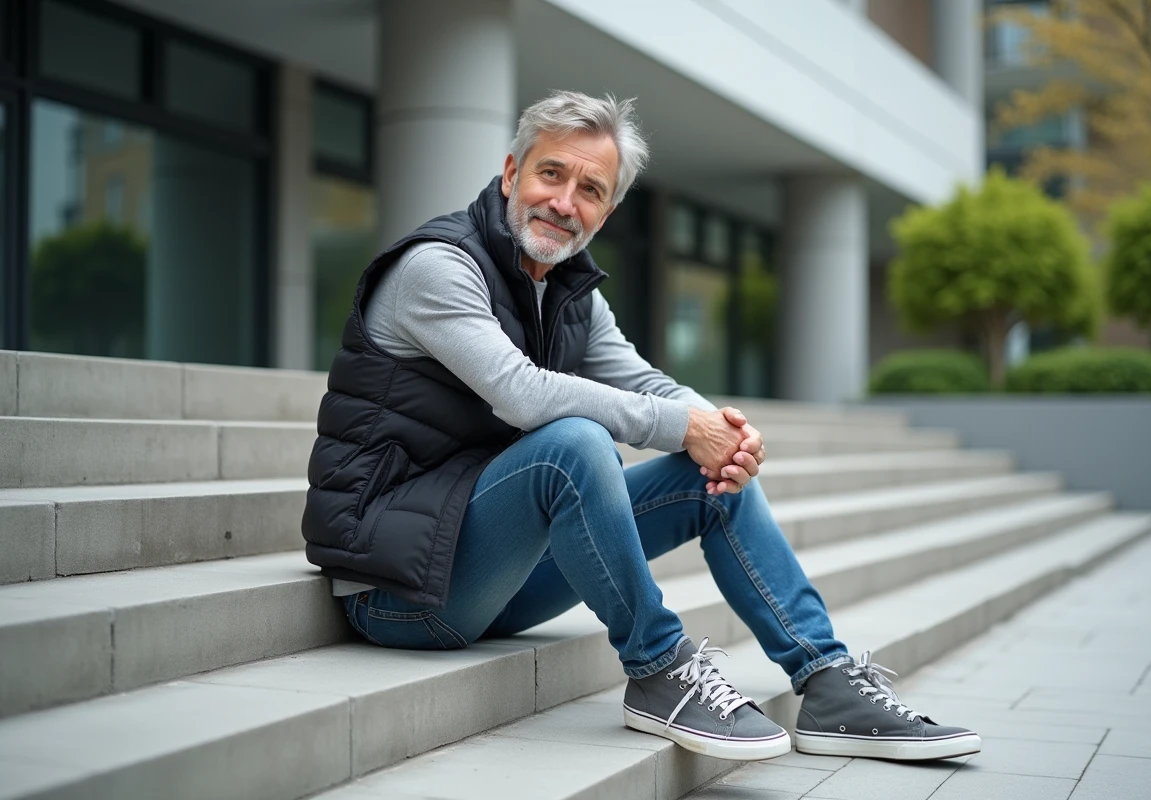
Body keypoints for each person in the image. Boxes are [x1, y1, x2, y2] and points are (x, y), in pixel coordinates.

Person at [302, 90, 981, 764]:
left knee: (708, 479)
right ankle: (658, 669)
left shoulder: (568, 292)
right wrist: (686, 425)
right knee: (572, 444)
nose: (564, 202)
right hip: (399, 587)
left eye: (590, 190)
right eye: (550, 174)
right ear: (511, 174)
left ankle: (827, 681)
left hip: (494, 571)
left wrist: (724, 433)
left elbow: (646, 384)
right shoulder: (437, 266)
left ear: (607, 212)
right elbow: (522, 394)